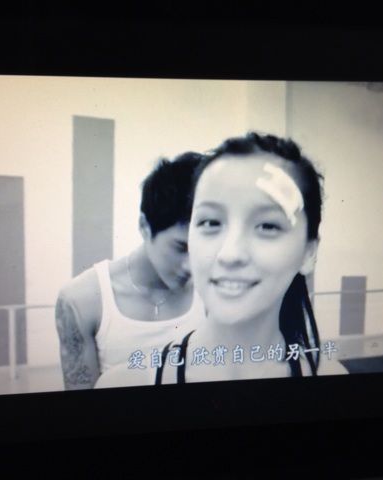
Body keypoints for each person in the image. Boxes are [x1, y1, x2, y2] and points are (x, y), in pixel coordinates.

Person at [96, 132, 345, 388]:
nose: (230, 254)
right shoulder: (124, 384)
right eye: (210, 222)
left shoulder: (333, 377)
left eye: (268, 226)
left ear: (309, 252)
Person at [55, 152, 204, 390]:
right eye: (180, 247)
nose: (191, 265)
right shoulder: (82, 299)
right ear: (144, 226)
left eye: (201, 249)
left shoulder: (213, 290)